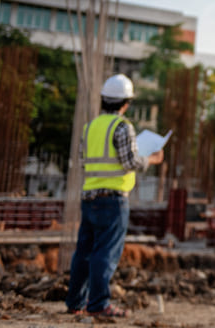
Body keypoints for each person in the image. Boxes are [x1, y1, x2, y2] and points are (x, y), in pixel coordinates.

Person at [66, 73, 163, 318]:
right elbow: (130, 161)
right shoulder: (122, 127)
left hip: (89, 197)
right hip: (113, 199)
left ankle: (75, 302)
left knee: (84, 252)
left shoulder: (90, 127)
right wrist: (151, 158)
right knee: (105, 253)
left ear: (103, 100)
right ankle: (98, 304)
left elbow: (82, 159)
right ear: (126, 103)